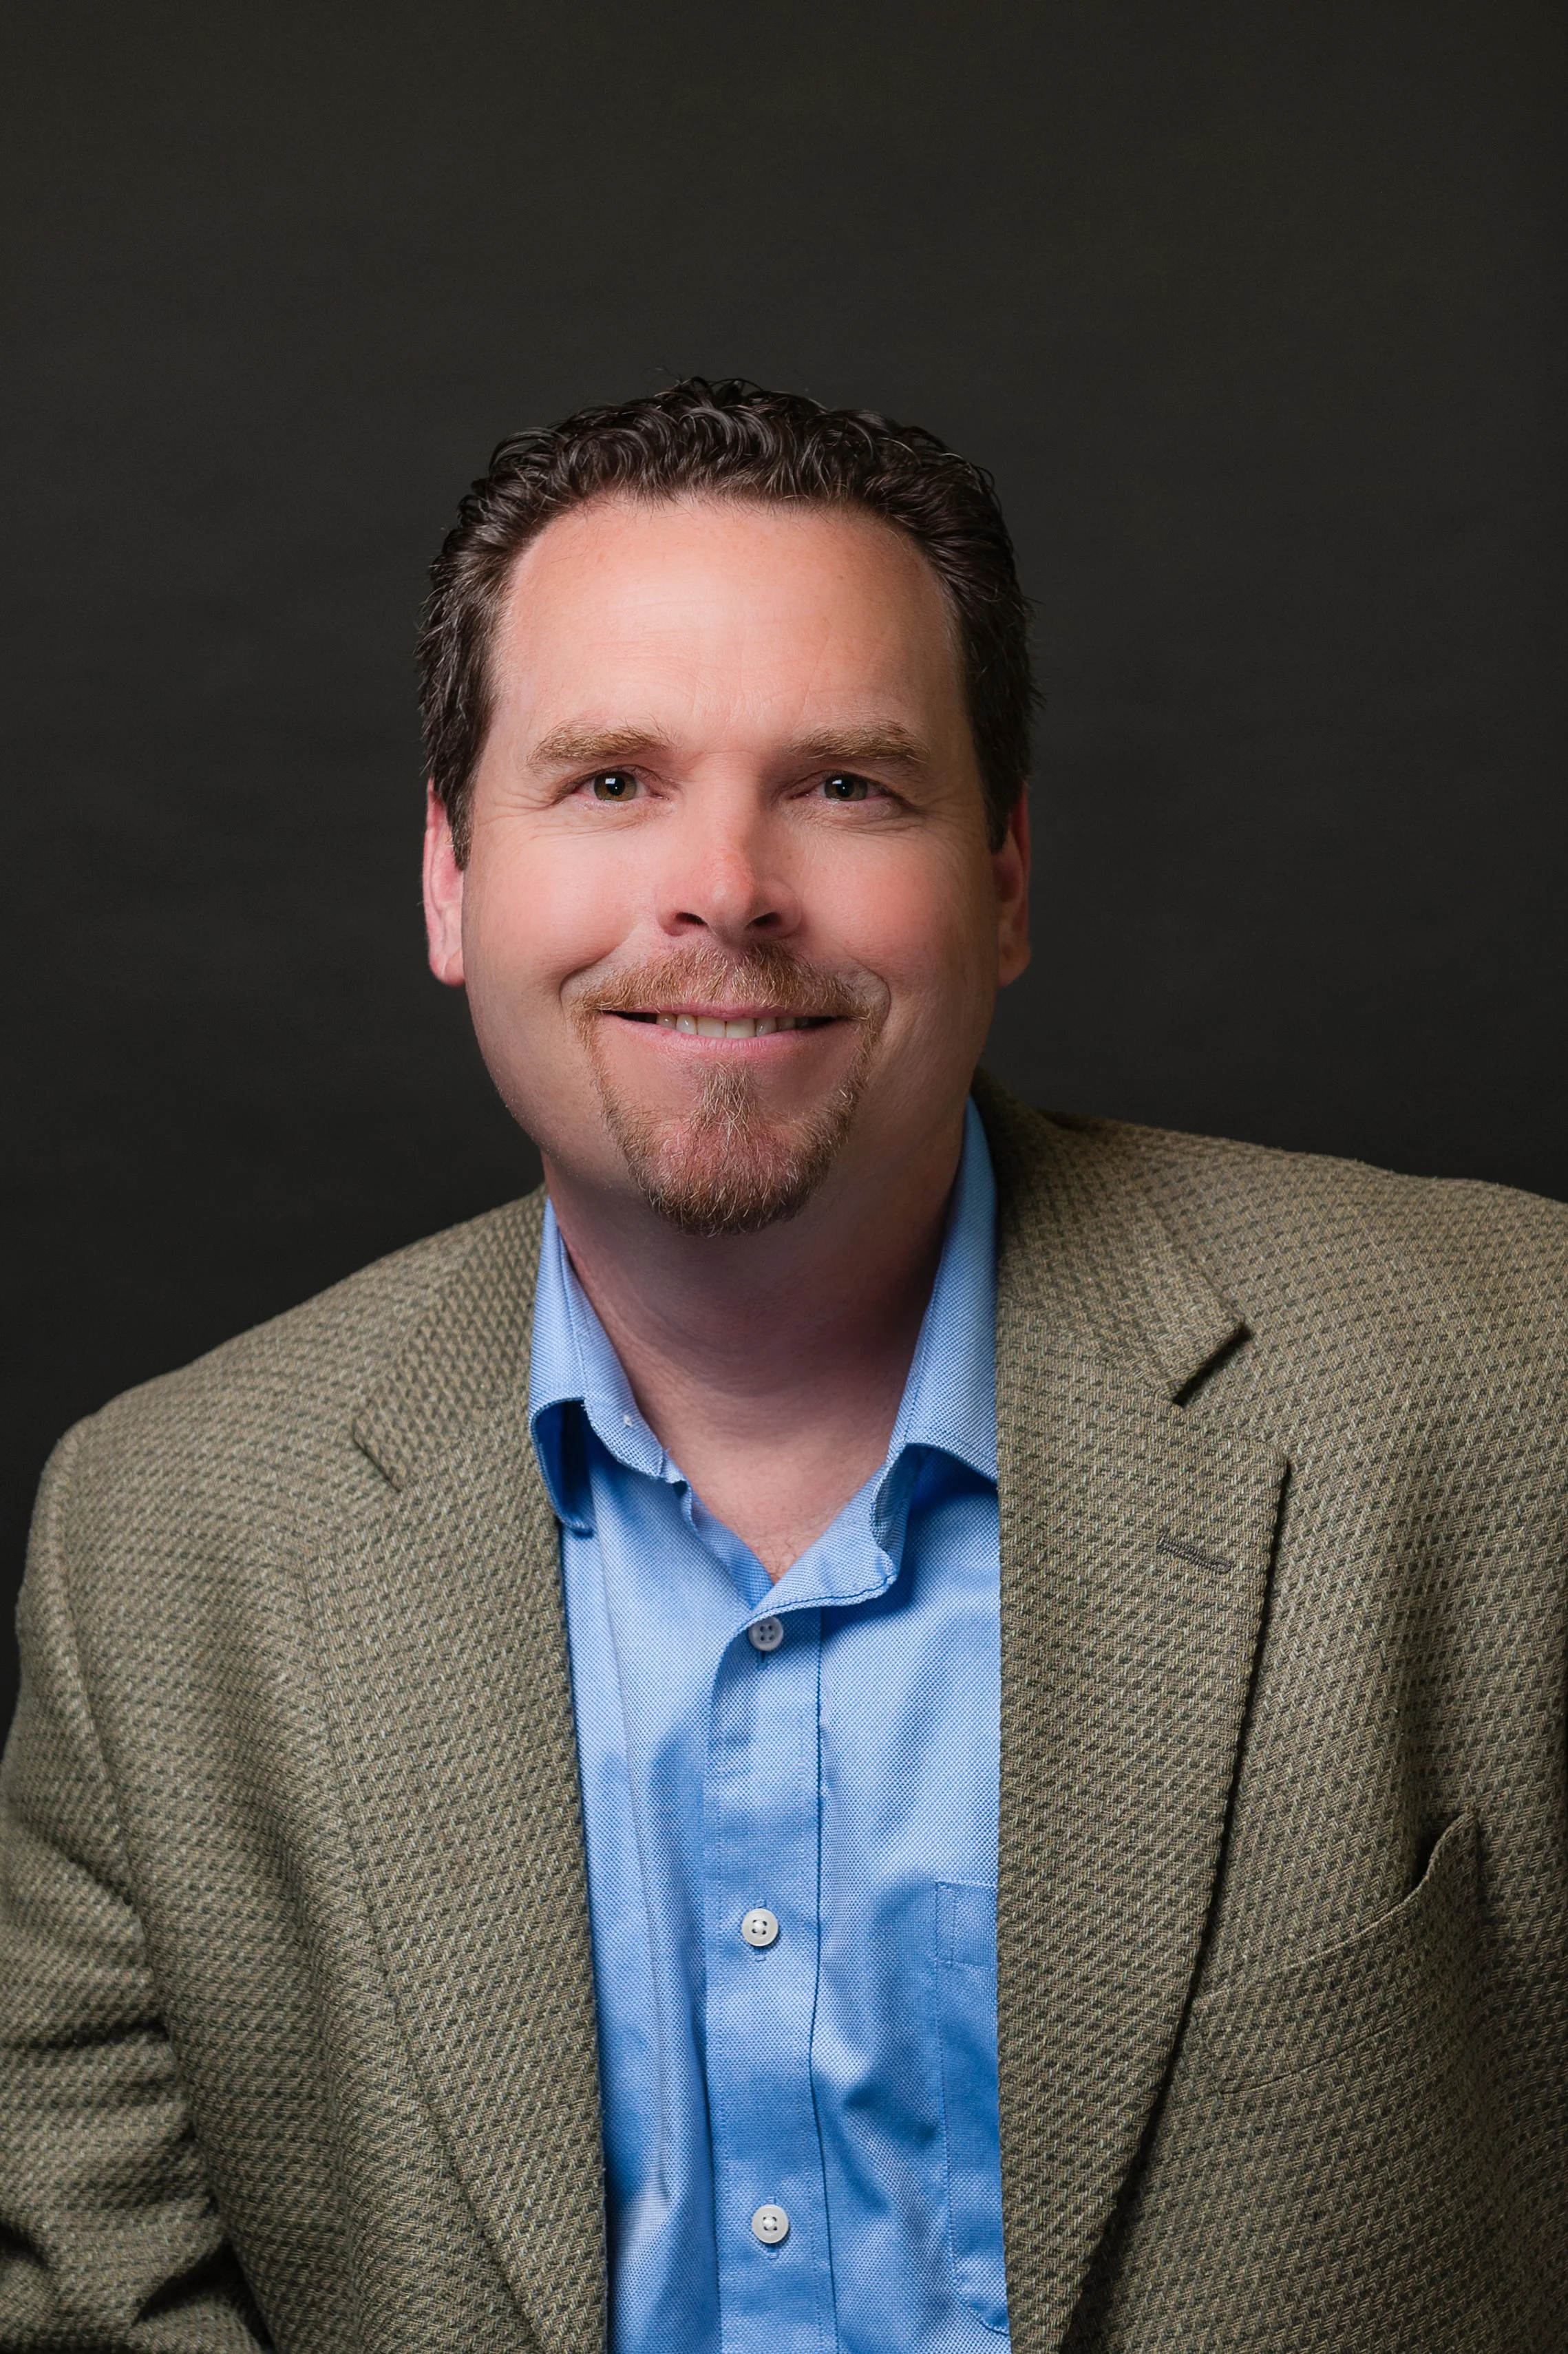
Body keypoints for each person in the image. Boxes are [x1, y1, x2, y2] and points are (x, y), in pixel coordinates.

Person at [0, 379, 1562, 2354]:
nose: (726, 887)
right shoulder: (154, 1550)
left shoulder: (1515, 1390)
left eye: (843, 785)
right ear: (450, 878)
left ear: (1003, 876)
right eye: (610, 781)